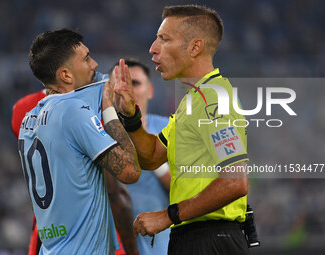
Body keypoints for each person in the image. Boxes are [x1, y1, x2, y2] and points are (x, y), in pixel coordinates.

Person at [112, 5, 250, 255]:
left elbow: (235, 182)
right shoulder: (192, 101)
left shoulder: (214, 99)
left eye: (164, 39)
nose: (153, 48)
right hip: (194, 237)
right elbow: (152, 157)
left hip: (210, 239)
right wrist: (131, 116)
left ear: (195, 47)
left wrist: (167, 215)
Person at [18, 28, 140, 254]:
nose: (94, 64)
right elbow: (130, 171)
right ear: (65, 75)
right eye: (86, 59)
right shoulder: (73, 111)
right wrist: (109, 111)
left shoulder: (29, 119)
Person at [110, 58, 171, 255]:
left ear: (150, 90)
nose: (126, 90)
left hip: (161, 244)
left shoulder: (170, 129)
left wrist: (153, 159)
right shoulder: (96, 136)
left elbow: (193, 190)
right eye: (119, 83)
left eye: (135, 83)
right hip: (112, 245)